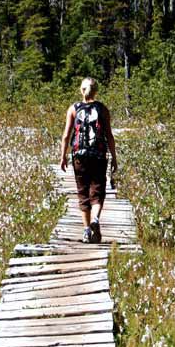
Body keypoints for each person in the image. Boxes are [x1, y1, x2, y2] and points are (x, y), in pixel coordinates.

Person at [60, 77, 117, 243]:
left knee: (83, 191)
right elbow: (109, 136)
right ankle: (96, 220)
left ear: (81, 90)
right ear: (96, 91)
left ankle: (86, 231)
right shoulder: (102, 109)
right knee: (98, 190)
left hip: (79, 155)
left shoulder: (73, 109)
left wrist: (63, 156)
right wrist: (114, 157)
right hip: (98, 155)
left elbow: (66, 135)